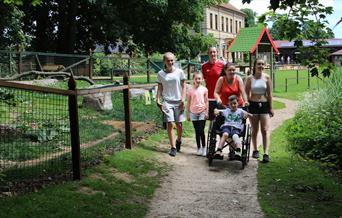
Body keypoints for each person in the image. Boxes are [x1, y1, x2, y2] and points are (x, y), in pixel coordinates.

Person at [156, 52, 186, 157]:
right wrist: (158, 99)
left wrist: (183, 99)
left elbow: (184, 86)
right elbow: (159, 88)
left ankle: (179, 140)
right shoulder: (160, 74)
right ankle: (173, 147)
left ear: (174, 60)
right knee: (170, 123)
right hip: (167, 101)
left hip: (178, 101)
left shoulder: (180, 72)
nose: (170, 62)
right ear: (164, 61)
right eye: (168, 60)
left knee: (179, 124)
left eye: (172, 60)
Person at [245, 58, 274, 163]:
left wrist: (271, 107)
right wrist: (246, 106)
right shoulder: (249, 78)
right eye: (258, 64)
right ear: (255, 66)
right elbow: (246, 93)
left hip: (264, 105)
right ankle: (255, 149)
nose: (261, 66)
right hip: (253, 105)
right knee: (255, 129)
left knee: (265, 130)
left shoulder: (267, 77)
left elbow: (270, 94)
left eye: (262, 64)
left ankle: (266, 153)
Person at [213, 95, 252, 159]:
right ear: (228, 104)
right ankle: (219, 150)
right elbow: (217, 110)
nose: (233, 105)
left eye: (234, 103)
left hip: (236, 128)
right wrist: (216, 111)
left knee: (235, 136)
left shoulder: (240, 111)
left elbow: (249, 114)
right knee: (225, 134)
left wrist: (246, 114)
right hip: (226, 127)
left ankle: (238, 151)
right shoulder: (226, 110)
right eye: (231, 104)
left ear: (238, 103)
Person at [187, 71, 208, 156]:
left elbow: (206, 102)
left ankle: (204, 148)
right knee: (197, 131)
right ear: (193, 79)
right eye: (196, 78)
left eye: (199, 78)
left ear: (202, 79)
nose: (198, 80)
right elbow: (188, 102)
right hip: (193, 112)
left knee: (201, 130)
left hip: (202, 111)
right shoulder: (190, 90)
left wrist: (206, 112)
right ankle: (198, 148)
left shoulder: (204, 89)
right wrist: (188, 114)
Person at [201, 46, 225, 120]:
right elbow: (205, 80)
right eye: (210, 52)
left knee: (221, 118)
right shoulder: (204, 66)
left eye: (214, 52)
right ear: (208, 53)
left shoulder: (222, 65)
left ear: (217, 53)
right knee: (211, 119)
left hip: (220, 97)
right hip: (209, 97)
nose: (212, 54)